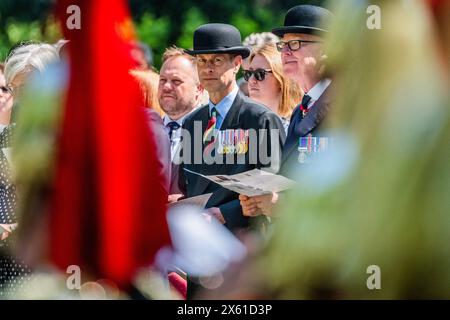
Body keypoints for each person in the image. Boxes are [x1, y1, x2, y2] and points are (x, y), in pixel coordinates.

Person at [240, 5, 333, 218]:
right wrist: (260, 202)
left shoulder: (345, 105)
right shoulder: (302, 109)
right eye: (283, 45)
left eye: (295, 43)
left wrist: (284, 205)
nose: (285, 52)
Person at [0, 42, 59, 296]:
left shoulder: (69, 137)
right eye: (15, 88)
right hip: (8, 259)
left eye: (27, 87)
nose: (20, 97)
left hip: (49, 260)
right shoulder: (9, 136)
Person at [157, 46, 205, 197]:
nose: (166, 87)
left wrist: (185, 200)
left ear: (199, 89)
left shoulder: (213, 131)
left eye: (176, 81)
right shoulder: (143, 131)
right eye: (163, 80)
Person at [244, 43, 302, 133]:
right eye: (249, 73)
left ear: (281, 79)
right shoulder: (243, 125)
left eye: (260, 73)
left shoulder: (298, 128)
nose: (251, 80)